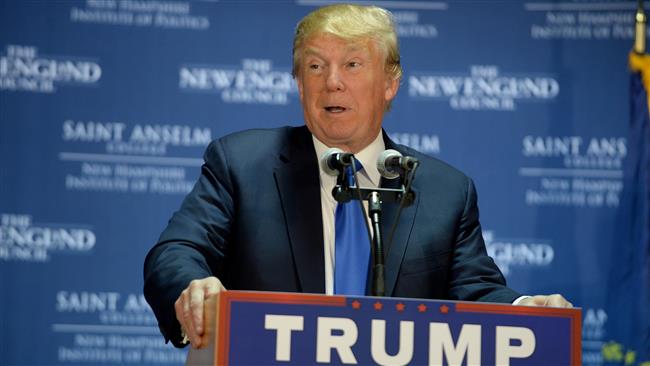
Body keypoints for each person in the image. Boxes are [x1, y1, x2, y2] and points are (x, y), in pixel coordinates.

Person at [143, 3, 572, 349]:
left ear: (390, 84)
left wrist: (525, 308)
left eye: (352, 64)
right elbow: (175, 252)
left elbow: (476, 290)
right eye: (314, 67)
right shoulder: (242, 163)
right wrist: (194, 286)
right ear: (298, 83)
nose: (332, 82)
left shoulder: (444, 191)